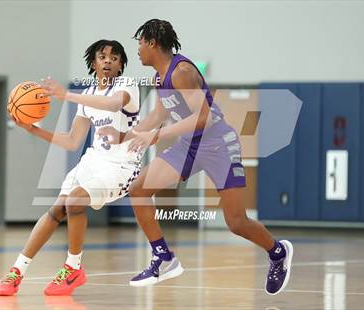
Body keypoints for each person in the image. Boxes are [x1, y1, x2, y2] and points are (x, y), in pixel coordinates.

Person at [99, 19, 293, 295]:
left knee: (236, 223)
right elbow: (158, 115)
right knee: (139, 189)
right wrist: (124, 136)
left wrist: (155, 136)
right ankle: (164, 256)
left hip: (218, 145)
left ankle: (277, 252)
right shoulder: (159, 76)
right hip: (189, 145)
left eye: (140, 42)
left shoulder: (183, 72)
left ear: (152, 42)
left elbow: (204, 118)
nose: (138, 49)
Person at [0, 39, 141, 296]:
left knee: (75, 201)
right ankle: (16, 272)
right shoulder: (88, 98)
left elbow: (114, 105)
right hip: (93, 160)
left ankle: (73, 268)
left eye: (114, 57)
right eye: (103, 56)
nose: (108, 60)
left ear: (120, 66)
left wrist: (66, 95)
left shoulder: (127, 86)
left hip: (121, 166)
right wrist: (33, 129)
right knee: (56, 210)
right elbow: (73, 141)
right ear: (93, 62)